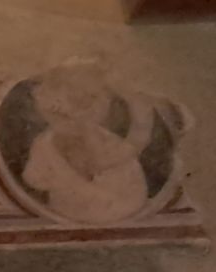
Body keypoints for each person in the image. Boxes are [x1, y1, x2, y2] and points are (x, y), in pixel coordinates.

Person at [19, 65, 166, 225]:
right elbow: (34, 178)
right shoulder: (68, 139)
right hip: (86, 208)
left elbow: (35, 178)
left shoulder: (49, 141)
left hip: (112, 206)